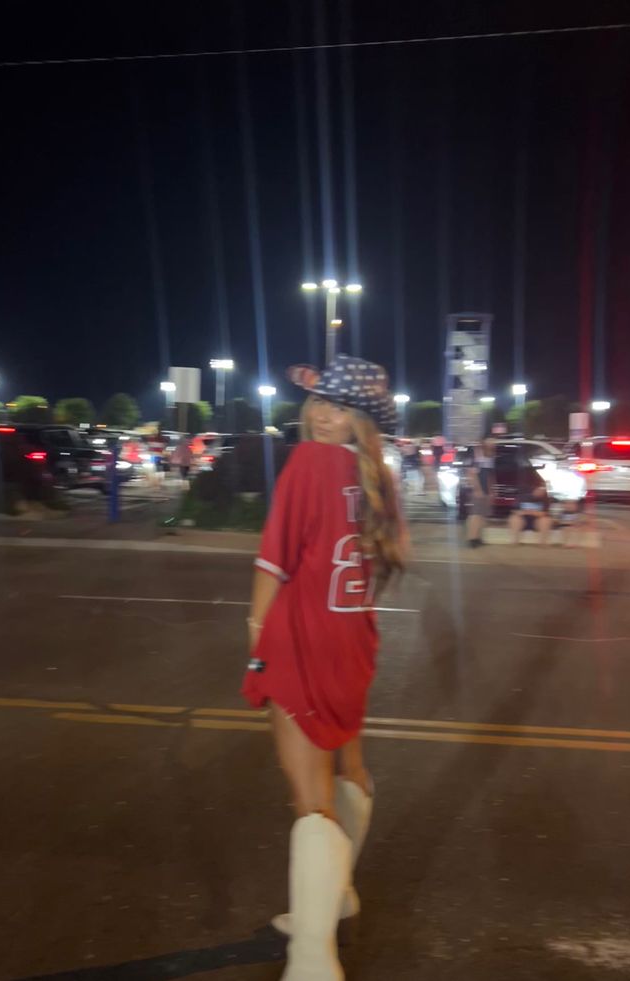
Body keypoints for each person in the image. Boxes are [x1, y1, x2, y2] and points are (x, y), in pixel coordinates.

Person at [242, 354, 407, 981]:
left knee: (308, 797)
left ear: (359, 418)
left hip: (302, 638)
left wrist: (257, 635)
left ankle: (312, 959)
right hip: (353, 639)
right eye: (317, 402)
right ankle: (335, 895)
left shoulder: (307, 462)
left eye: (337, 406)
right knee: (350, 766)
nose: (320, 414)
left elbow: (273, 560)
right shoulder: (379, 477)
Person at [509, 472, 553, 545]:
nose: (541, 491)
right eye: (539, 489)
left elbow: (545, 513)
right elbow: (514, 511)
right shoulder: (522, 496)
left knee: (546, 520)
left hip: (537, 521)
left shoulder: (545, 499)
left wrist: (533, 513)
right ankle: (515, 541)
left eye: (543, 489)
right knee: (514, 518)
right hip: (523, 521)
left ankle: (543, 542)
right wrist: (526, 512)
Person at [466, 437, 495, 547]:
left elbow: (489, 475)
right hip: (478, 490)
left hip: (486, 490)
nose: (492, 443)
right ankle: (472, 539)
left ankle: (477, 538)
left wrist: (491, 491)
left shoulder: (490, 456)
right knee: (475, 515)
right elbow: (471, 473)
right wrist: (477, 490)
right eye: (490, 441)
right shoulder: (477, 455)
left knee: (482, 515)